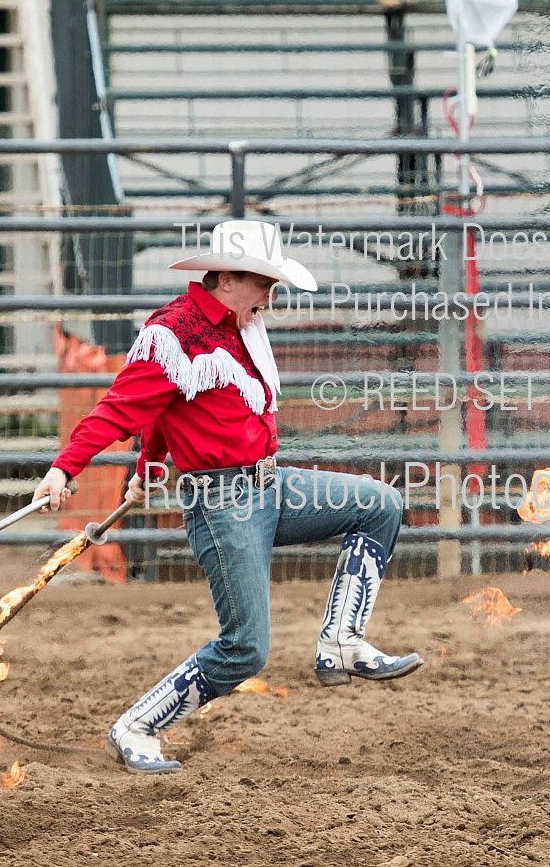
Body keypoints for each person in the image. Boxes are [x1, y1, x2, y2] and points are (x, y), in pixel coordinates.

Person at [33, 219, 423, 774]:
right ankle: (136, 726)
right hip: (223, 503)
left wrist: (149, 465)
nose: (271, 295)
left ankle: (342, 641)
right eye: (264, 283)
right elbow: (123, 408)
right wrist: (64, 467)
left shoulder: (243, 325)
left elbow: (171, 409)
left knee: (380, 503)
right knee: (246, 649)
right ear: (230, 279)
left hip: (269, 483)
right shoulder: (174, 333)